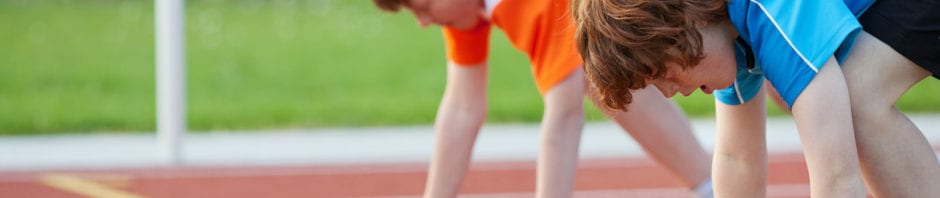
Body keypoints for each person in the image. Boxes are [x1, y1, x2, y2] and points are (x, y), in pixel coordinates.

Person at [572, 0, 940, 197]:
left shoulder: (771, 9)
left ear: (689, 26)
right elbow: (737, 159)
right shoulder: (724, 36)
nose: (670, 92)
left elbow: (837, 179)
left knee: (855, 100)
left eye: (664, 73)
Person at [371, 0, 714, 197]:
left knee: (753, 52)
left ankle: (713, 180)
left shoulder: (533, 6)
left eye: (423, 6)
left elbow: (563, 117)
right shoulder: (465, 10)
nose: (422, 21)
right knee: (603, 77)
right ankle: (709, 183)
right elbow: (462, 107)